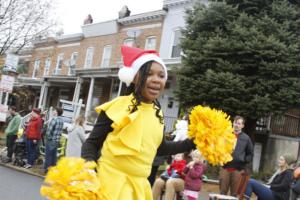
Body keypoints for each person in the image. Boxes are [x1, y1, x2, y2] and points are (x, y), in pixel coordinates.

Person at [81, 45, 195, 200]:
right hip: (110, 184)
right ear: (135, 77)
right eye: (149, 74)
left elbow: (160, 148)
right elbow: (91, 143)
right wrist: (89, 169)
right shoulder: (117, 106)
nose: (156, 79)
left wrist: (192, 143)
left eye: (161, 76)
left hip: (139, 187)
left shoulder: (157, 112)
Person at [219, 115, 254, 196]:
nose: (236, 125)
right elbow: (219, 147)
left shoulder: (246, 138)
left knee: (234, 194)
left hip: (238, 170)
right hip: (225, 167)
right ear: (233, 123)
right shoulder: (226, 134)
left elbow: (250, 153)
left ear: (242, 126)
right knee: (222, 193)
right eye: (235, 122)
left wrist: (244, 160)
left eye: (239, 123)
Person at [43, 107, 64, 172]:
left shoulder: (54, 120)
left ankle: (47, 169)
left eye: (54, 110)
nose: (53, 111)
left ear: (56, 112)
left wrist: (46, 137)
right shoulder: (61, 120)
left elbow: (49, 131)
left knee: (48, 155)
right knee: (54, 156)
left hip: (51, 140)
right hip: (57, 140)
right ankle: (53, 169)